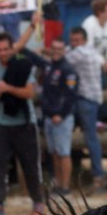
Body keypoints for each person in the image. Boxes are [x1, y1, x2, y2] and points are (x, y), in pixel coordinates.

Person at [0, 29, 43, 215]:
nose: (2, 53)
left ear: (12, 49)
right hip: (1, 123)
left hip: (25, 122)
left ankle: (38, 202)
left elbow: (29, 93)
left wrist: (7, 87)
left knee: (30, 164)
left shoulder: (22, 65)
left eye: (5, 49)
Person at [24, 33, 78, 193]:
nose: (56, 51)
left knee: (64, 153)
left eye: (59, 49)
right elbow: (32, 57)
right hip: (49, 117)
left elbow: (71, 96)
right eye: (53, 48)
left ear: (64, 50)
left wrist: (60, 115)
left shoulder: (68, 70)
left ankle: (66, 187)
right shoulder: (49, 67)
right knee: (54, 153)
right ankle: (58, 185)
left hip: (61, 118)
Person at [65, 26, 107, 191]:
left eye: (77, 40)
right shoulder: (91, 51)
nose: (74, 43)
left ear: (83, 40)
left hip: (85, 99)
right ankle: (98, 176)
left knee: (90, 138)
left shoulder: (80, 53)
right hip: (90, 99)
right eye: (72, 40)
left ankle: (99, 176)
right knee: (90, 137)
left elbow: (61, 58)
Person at [81, 0, 107, 70]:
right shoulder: (89, 24)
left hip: (103, 57)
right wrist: (103, 62)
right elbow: (88, 48)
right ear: (100, 13)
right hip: (87, 58)